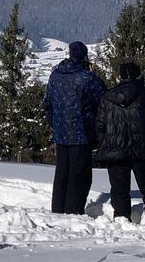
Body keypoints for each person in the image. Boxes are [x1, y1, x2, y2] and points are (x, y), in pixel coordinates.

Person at [95, 62, 145, 224]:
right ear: (137, 75)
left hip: (115, 149)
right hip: (141, 147)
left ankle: (121, 218)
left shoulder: (107, 97)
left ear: (121, 76)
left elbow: (99, 125)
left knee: (119, 188)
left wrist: (105, 143)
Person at [44, 41, 106, 215]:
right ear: (85, 56)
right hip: (81, 132)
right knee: (79, 174)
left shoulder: (55, 75)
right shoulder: (86, 77)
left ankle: (58, 208)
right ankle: (73, 211)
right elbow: (103, 97)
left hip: (60, 132)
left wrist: (55, 124)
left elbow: (47, 103)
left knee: (62, 172)